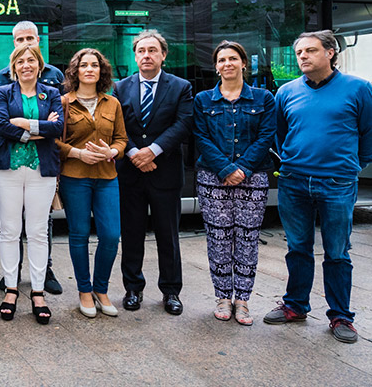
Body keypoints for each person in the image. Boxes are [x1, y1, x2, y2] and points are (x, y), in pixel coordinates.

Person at [263, 30, 372, 344]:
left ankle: (341, 316)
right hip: (294, 181)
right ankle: (295, 306)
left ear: (330, 52)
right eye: (299, 52)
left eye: (311, 51)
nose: (303, 56)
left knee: (337, 252)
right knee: (298, 248)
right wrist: (291, 160)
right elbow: (280, 134)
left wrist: (353, 166)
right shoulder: (286, 91)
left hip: (338, 183)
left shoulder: (358, 89)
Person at [192, 41, 277, 326]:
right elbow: (201, 138)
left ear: (244, 63)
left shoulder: (263, 98)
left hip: (253, 178)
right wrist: (226, 168)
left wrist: (242, 168)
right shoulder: (203, 100)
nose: (227, 63)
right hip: (212, 179)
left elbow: (267, 137)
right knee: (218, 239)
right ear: (216, 67)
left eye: (232, 58)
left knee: (247, 239)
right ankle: (222, 297)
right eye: (221, 59)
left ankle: (242, 301)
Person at [113, 29, 193, 315]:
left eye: (152, 50)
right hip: (131, 172)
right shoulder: (120, 88)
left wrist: (154, 150)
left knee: (168, 236)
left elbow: (183, 124)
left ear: (163, 54)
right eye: (141, 51)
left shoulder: (181, 87)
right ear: (135, 56)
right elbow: (117, 126)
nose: (146, 55)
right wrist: (134, 153)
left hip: (165, 172)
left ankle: (171, 291)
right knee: (131, 233)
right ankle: (133, 288)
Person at [0, 22, 65, 295]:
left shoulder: (54, 84)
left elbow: (58, 127)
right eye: (20, 58)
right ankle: (12, 278)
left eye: (31, 56)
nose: (25, 61)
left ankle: (41, 281)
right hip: (9, 165)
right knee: (9, 228)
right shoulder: (1, 83)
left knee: (39, 229)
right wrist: (36, 129)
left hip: (42, 168)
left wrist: (24, 124)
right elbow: (1, 125)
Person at [56, 48, 126, 319]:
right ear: (75, 71)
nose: (89, 69)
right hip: (75, 177)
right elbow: (54, 141)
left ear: (101, 71)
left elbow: (122, 139)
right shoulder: (63, 102)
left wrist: (113, 152)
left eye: (94, 65)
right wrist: (78, 153)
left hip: (107, 177)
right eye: (83, 65)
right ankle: (84, 291)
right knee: (79, 234)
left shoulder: (112, 103)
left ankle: (101, 289)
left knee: (110, 235)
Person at [0, 20, 65, 91]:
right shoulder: (0, 78)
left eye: (29, 38)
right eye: (20, 40)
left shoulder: (55, 74)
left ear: (38, 40)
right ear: (14, 43)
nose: (25, 43)